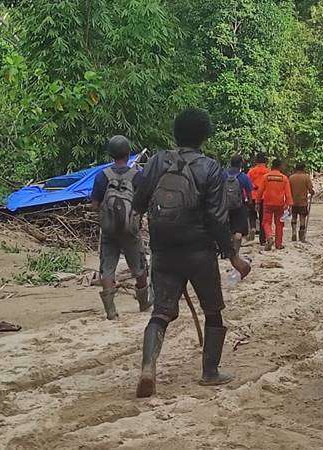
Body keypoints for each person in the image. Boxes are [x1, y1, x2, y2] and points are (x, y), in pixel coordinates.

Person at [132, 108, 252, 398]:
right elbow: (215, 217)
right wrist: (232, 255)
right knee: (213, 311)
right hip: (199, 251)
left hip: (163, 250)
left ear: (176, 132)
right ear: (205, 135)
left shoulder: (158, 160)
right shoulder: (210, 168)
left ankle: (148, 367)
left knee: (161, 313)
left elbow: (138, 203)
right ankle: (210, 372)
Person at [91, 135, 150, 320]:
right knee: (138, 266)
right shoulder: (136, 176)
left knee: (107, 267)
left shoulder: (102, 176)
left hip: (109, 230)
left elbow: (94, 204)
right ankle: (143, 303)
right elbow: (143, 203)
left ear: (111, 154)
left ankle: (110, 310)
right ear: (128, 153)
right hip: (130, 230)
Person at [256, 158, 293, 250]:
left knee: (266, 222)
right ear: (280, 166)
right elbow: (288, 194)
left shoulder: (266, 177)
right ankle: (278, 244)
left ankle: (269, 237)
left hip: (267, 203)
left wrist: (257, 202)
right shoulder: (284, 178)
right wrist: (289, 205)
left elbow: (260, 191)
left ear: (272, 166)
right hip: (280, 204)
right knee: (279, 224)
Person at [227, 155, 254, 255]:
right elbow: (249, 192)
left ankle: (227, 250)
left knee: (227, 229)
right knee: (238, 231)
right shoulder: (243, 177)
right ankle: (236, 252)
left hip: (225, 206)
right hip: (239, 206)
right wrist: (250, 203)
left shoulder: (223, 175)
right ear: (240, 164)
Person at [288, 162, 315, 243]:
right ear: (304, 168)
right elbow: (310, 189)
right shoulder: (306, 177)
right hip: (303, 202)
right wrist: (312, 192)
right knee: (302, 218)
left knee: (294, 217)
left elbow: (288, 190)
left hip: (293, 201)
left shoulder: (291, 178)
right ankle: (301, 235)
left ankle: (293, 233)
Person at [247, 153, 269, 245]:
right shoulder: (268, 171)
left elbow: (247, 183)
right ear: (265, 161)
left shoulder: (251, 171)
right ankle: (262, 240)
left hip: (253, 196)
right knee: (263, 219)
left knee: (252, 214)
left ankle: (252, 227)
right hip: (264, 197)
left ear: (256, 161)